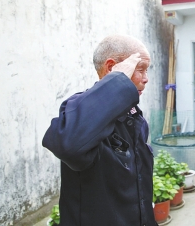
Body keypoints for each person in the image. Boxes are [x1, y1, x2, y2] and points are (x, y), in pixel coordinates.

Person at [43, 34, 157, 226]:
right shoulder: (78, 109)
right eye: (140, 69)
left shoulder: (134, 116)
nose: (146, 79)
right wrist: (117, 80)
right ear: (113, 68)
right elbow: (69, 145)